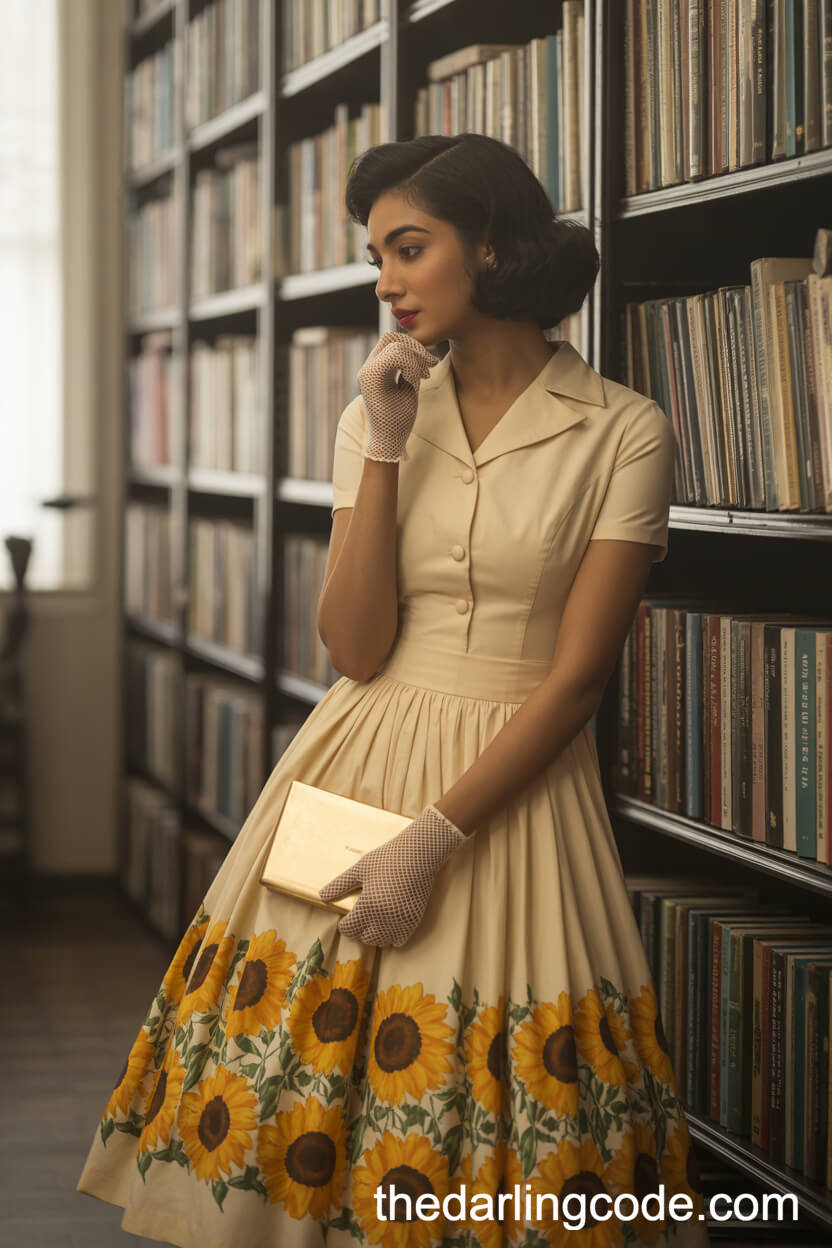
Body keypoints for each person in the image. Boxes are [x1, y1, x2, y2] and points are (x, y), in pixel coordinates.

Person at [77, 133, 710, 1247]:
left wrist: (434, 837)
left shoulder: (622, 428)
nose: (384, 280)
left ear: (496, 244)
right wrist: (382, 441)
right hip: (354, 754)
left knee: (518, 1111)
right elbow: (355, 646)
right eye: (376, 254)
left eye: (407, 248)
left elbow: (575, 683)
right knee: (299, 1092)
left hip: (513, 781)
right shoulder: (374, 410)